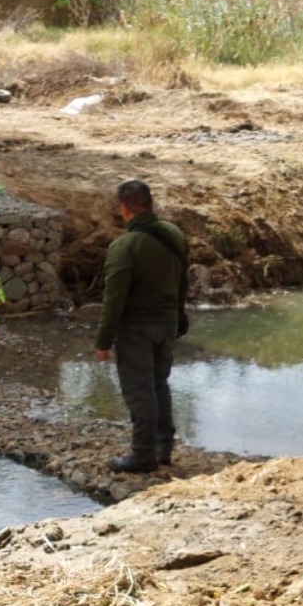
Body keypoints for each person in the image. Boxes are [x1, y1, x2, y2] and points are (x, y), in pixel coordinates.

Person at [94, 180, 190, 473]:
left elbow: (114, 299)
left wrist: (103, 340)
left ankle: (142, 454)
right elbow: (182, 281)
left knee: (139, 390)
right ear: (149, 203)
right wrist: (179, 315)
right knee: (159, 383)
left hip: (136, 328)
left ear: (124, 209)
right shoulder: (174, 234)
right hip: (167, 323)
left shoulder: (125, 246)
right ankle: (163, 448)